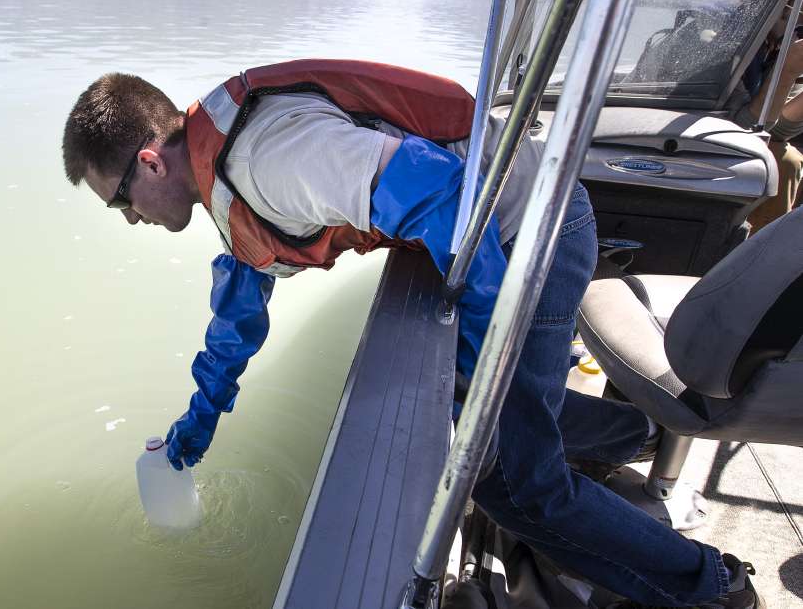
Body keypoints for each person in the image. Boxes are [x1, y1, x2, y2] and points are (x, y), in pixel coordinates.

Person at [60, 59, 761, 608]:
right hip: (513, 230)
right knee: (494, 427)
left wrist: (480, 369)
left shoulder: (271, 158)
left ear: (149, 161)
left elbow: (444, 197)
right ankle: (631, 434)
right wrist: (189, 438)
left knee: (517, 483)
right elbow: (237, 321)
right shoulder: (231, 175)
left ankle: (711, 586)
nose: (129, 218)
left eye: (119, 200)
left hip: (531, 234)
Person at [732, 2, 803, 232]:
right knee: (784, 161)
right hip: (693, 147)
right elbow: (744, 129)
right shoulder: (730, 42)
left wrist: (789, 70)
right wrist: (786, 72)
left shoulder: (778, 44)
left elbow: (779, 130)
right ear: (785, 10)